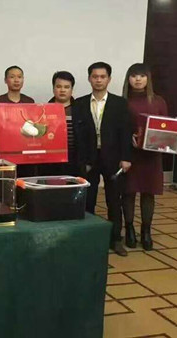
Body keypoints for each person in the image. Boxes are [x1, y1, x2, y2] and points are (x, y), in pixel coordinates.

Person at [74, 62, 132, 256]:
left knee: (114, 200)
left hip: (113, 159)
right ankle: (89, 238)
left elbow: (125, 132)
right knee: (88, 200)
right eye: (95, 76)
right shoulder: (80, 103)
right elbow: (78, 135)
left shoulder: (119, 103)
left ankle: (115, 239)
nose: (98, 80)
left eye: (102, 76)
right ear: (89, 78)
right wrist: (82, 161)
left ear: (109, 79)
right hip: (90, 159)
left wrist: (126, 158)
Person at [122, 63, 168, 251]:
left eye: (142, 76)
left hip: (152, 156)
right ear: (128, 79)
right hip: (130, 154)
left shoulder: (158, 101)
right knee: (128, 192)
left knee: (148, 192)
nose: (138, 79)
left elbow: (166, 128)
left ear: (148, 79)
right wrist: (129, 138)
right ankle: (129, 229)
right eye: (134, 76)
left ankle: (146, 231)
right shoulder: (121, 102)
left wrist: (162, 140)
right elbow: (117, 128)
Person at [41, 71, 83, 176]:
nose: (62, 90)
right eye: (59, 86)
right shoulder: (43, 110)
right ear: (53, 88)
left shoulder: (81, 110)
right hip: (50, 160)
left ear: (72, 89)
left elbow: (88, 136)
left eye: (66, 87)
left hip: (74, 159)